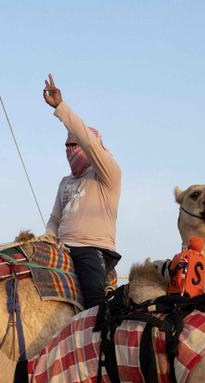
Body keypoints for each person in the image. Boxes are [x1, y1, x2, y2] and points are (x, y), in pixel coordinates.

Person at [42, 73, 122, 309]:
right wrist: (47, 239)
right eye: (68, 146)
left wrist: (61, 109)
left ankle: (100, 342)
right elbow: (55, 218)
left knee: (95, 303)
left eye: (76, 144)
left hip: (91, 248)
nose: (71, 150)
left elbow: (88, 142)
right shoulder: (65, 182)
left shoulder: (107, 174)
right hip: (61, 247)